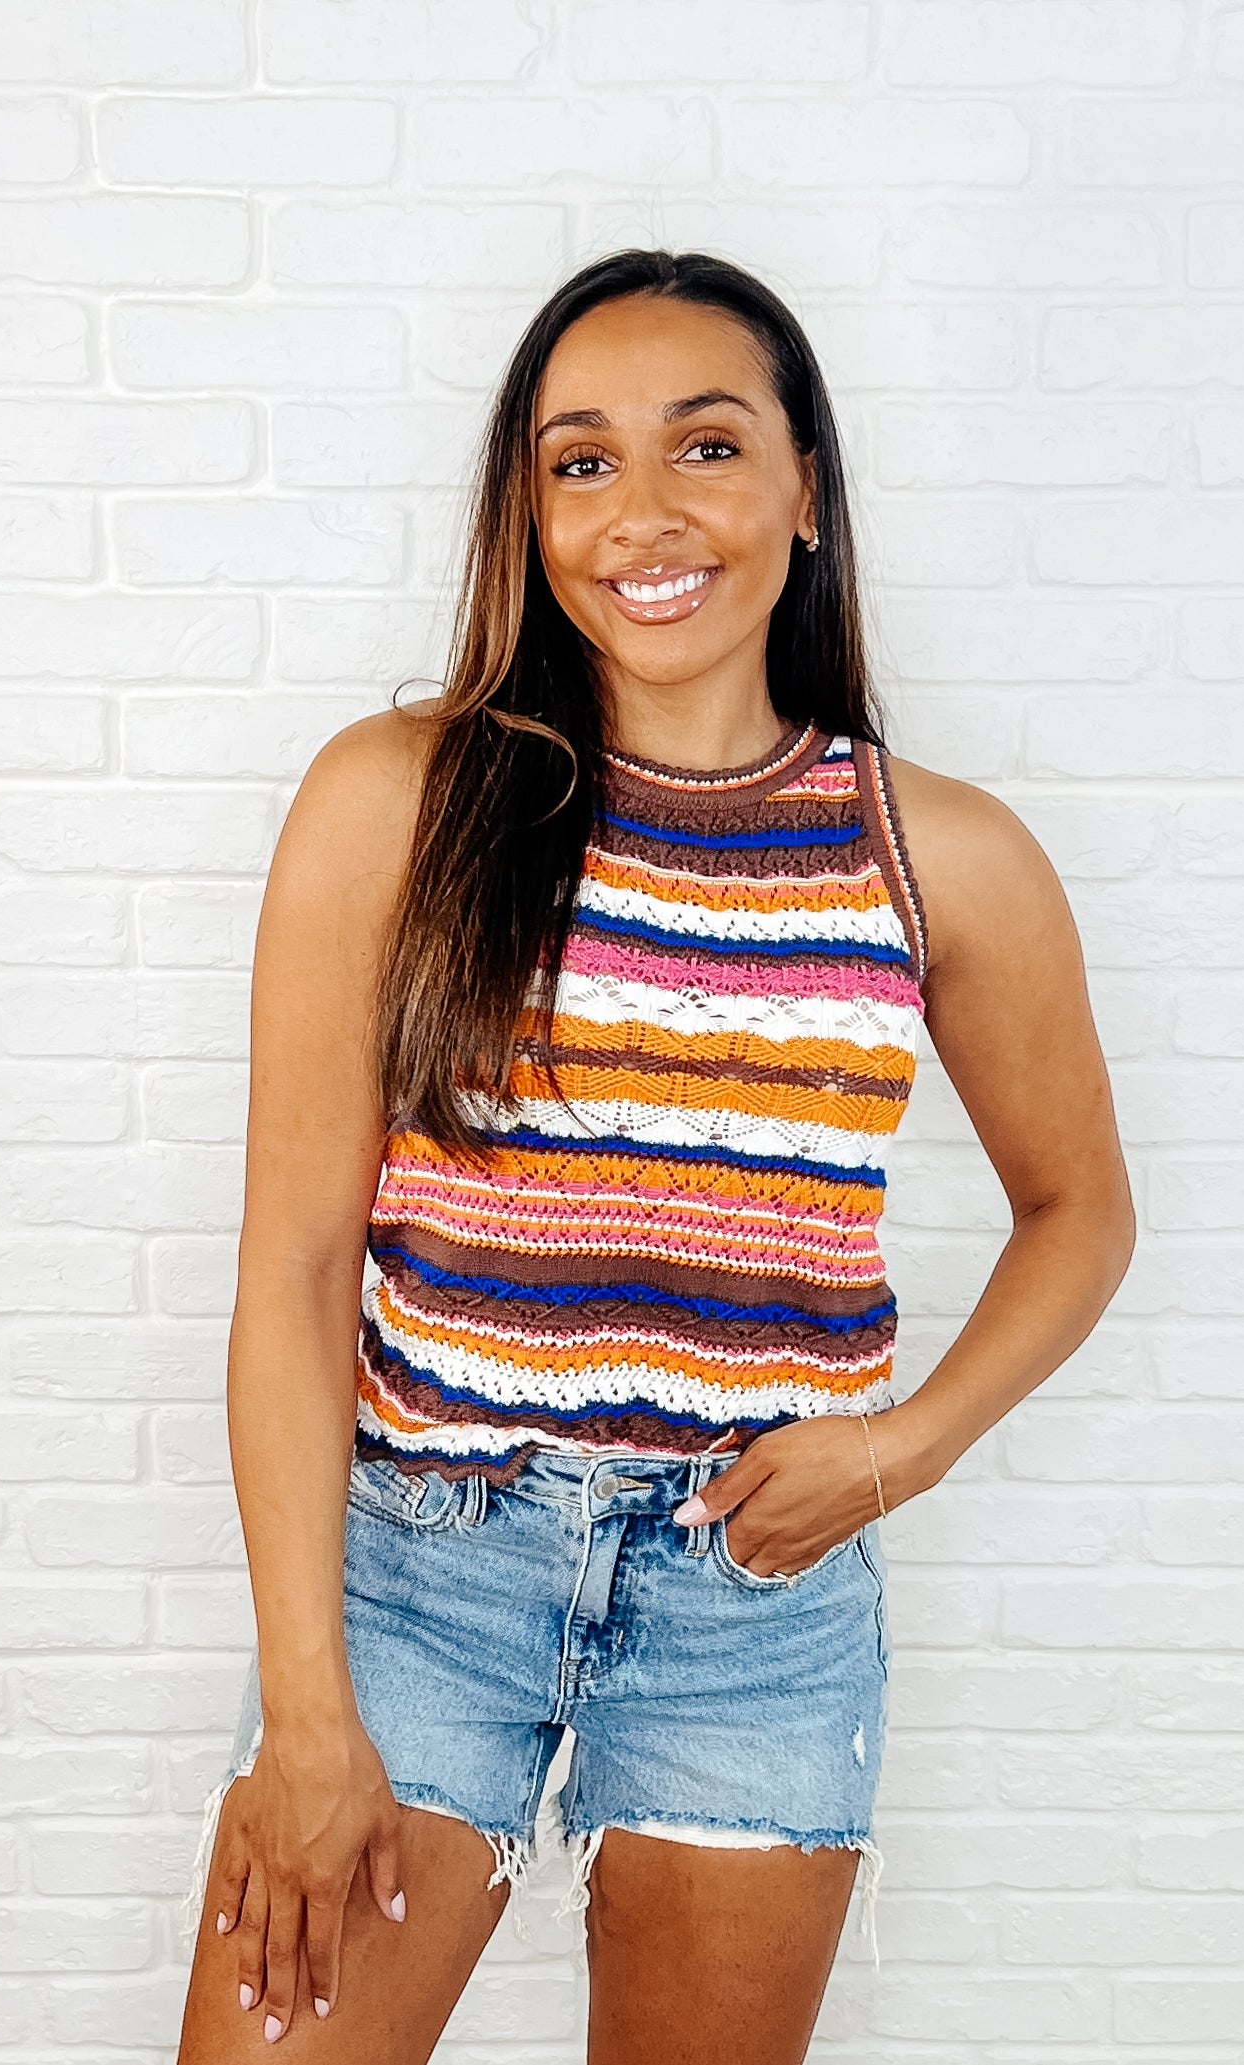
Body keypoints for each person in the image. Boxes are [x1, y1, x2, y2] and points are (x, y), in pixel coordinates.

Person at [175, 248, 1135, 2064]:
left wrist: (902, 1447)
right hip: (417, 1574)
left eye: (705, 445)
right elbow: (293, 1265)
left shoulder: (939, 856)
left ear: (803, 490)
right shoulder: (397, 800)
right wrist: (307, 1707)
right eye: (581, 462)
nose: (641, 513)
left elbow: (1078, 1210)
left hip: (747, 1605)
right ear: (529, 511)